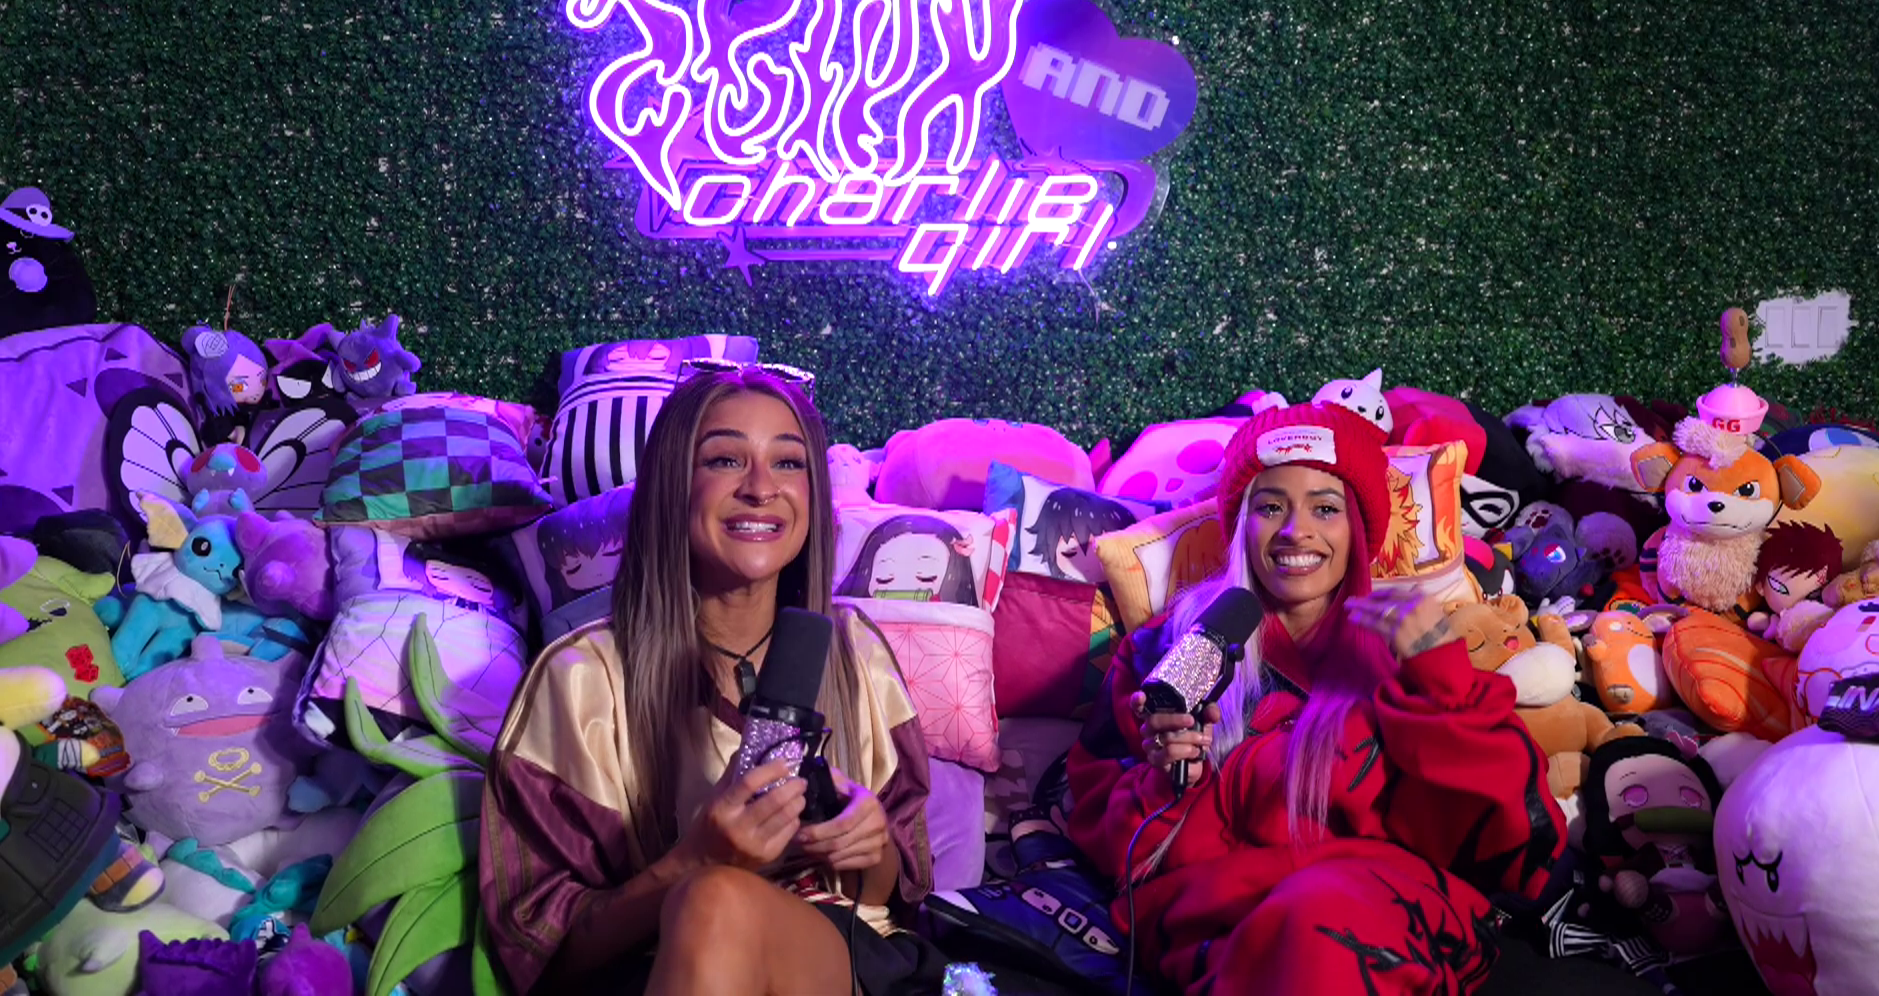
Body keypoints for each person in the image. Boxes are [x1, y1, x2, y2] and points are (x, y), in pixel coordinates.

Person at [1067, 401, 1568, 995]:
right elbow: (1112, 847)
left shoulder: (1409, 648)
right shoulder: (1166, 651)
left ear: (1357, 529)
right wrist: (1169, 780)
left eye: (1325, 508)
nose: (1294, 531)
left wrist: (1440, 680)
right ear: (1241, 525)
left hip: (1371, 914)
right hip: (1220, 920)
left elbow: (1511, 841)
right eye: (1270, 507)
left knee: (1318, 922)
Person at [480, 366, 944, 995]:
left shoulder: (855, 651)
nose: (761, 488)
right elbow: (541, 959)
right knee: (713, 900)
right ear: (673, 486)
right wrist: (694, 861)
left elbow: (897, 898)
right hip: (655, 969)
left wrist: (869, 843)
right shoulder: (580, 679)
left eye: (788, 463)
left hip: (848, 963)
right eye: (725, 460)